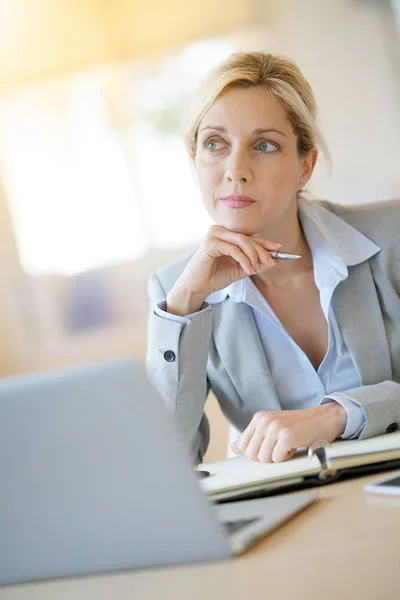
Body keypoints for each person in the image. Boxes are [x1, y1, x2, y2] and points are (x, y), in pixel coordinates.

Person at [146, 51, 400, 465]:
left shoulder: (393, 239)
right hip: (290, 512)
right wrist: (186, 304)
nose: (236, 170)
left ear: (305, 165)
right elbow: (166, 462)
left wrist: (338, 415)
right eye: (215, 144)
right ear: (195, 162)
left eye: (264, 145)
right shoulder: (175, 291)